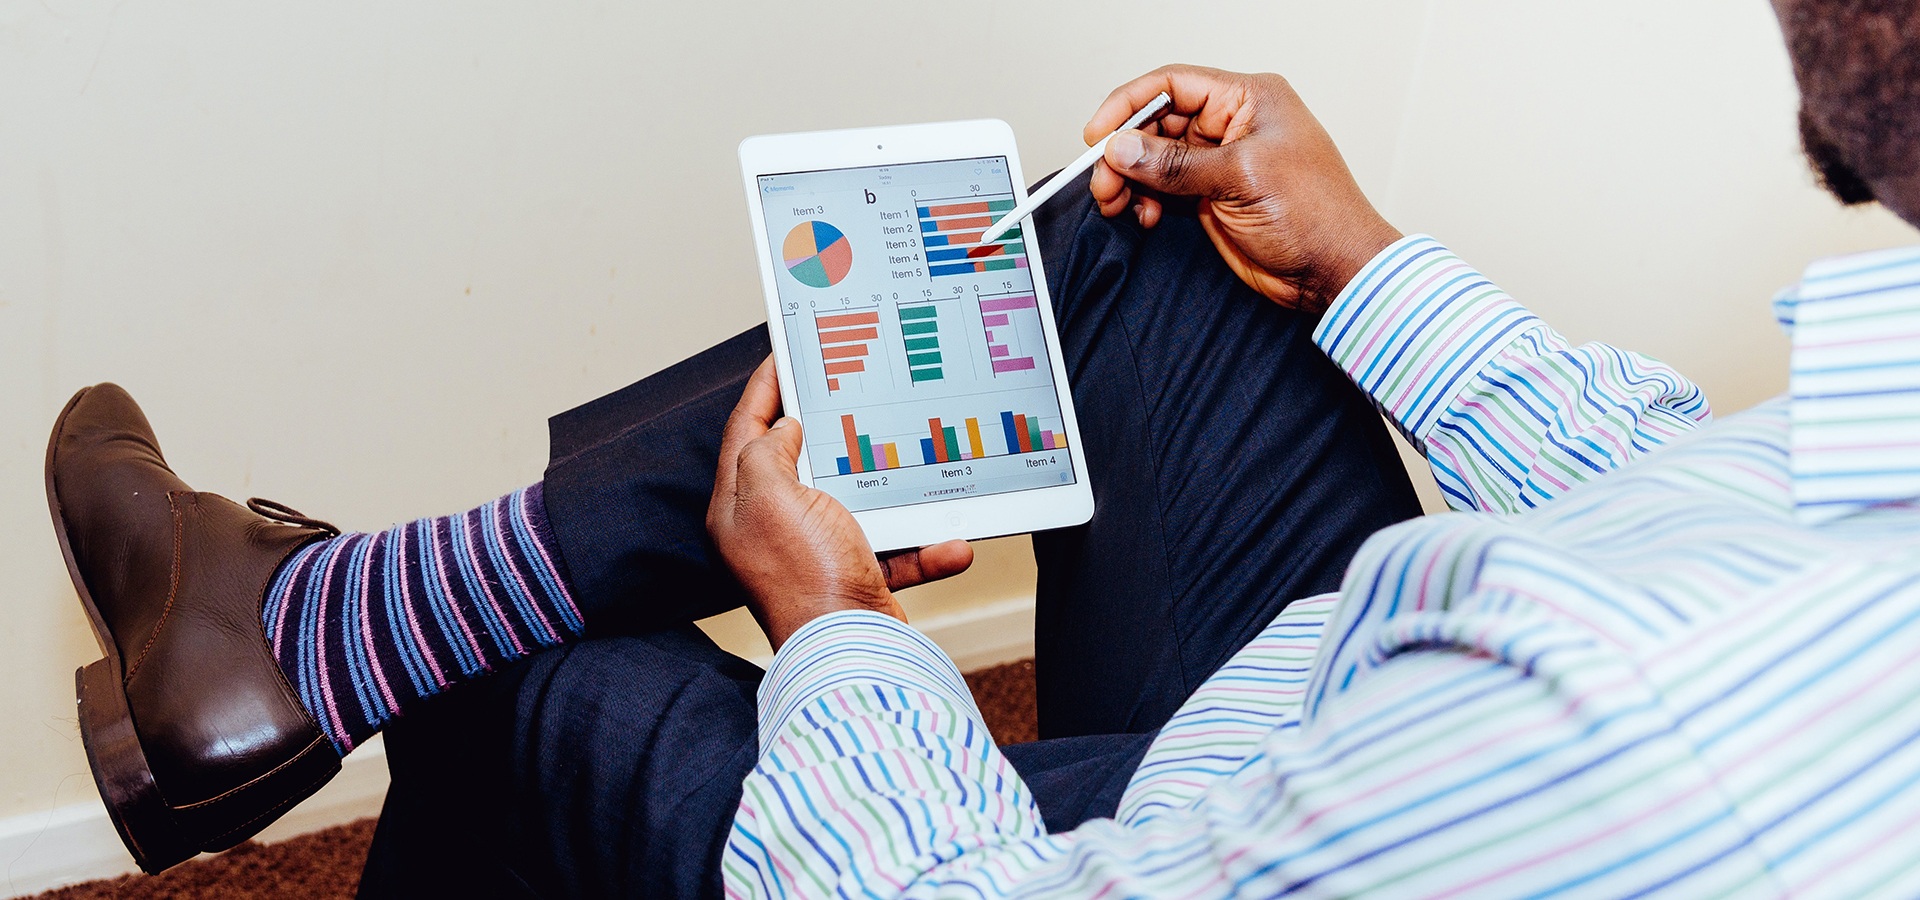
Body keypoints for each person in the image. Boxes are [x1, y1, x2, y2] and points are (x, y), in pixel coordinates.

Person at [44, 0, 1920, 894]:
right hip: (1346, 724)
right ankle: (302, 633)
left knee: (549, 686)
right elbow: (1705, 501)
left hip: (1211, 844)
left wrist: (844, 637)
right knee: (1138, 233)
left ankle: (333, 638)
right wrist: (1367, 260)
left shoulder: (1667, 736)